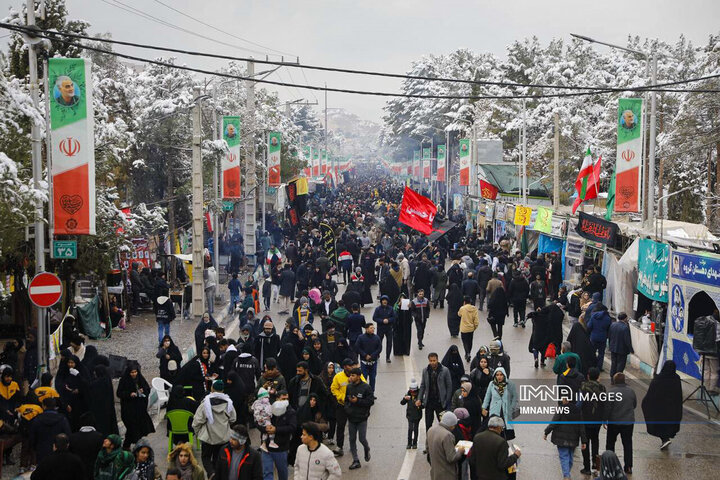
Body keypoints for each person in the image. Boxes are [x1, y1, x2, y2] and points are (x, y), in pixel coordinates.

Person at [192, 379, 237, 477]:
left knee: (206, 458)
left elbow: (196, 422)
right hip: (223, 438)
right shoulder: (229, 403)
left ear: (212, 388)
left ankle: (211, 473)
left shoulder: (205, 404)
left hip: (208, 438)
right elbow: (233, 419)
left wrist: (199, 433)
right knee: (218, 459)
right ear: (223, 390)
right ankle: (216, 475)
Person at [544, 396, 587, 480]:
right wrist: (584, 441)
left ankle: (566, 476)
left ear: (567, 400)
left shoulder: (561, 409)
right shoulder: (578, 410)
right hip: (573, 439)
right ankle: (567, 473)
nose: (562, 400)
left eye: (563, 398)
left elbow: (554, 422)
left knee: (564, 456)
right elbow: (582, 426)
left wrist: (546, 432)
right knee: (570, 457)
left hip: (561, 438)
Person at [642, 360, 682, 450]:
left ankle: (664, 439)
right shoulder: (676, 378)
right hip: (672, 408)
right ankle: (665, 439)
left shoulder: (658, 379)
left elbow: (650, 395)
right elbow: (678, 394)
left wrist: (645, 404)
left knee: (660, 425)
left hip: (659, 409)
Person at [117, 361, 155, 450]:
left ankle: (130, 447)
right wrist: (129, 394)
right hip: (128, 410)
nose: (134, 374)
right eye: (132, 372)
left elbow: (147, 389)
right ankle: (136, 448)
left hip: (139, 410)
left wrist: (143, 391)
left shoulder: (140, 379)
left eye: (135, 372)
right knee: (132, 429)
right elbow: (119, 393)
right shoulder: (124, 380)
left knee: (136, 430)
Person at [605, 373, 636, 475]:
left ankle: (610, 466)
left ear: (614, 381)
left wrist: (604, 420)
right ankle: (628, 466)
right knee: (627, 444)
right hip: (628, 422)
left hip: (614, 422)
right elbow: (634, 405)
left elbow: (607, 408)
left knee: (610, 444)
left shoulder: (611, 392)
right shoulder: (631, 391)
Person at [261, 393, 296, 480]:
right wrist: (265, 428)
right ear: (277, 399)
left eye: (287, 399)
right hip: (266, 447)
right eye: (283, 399)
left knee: (282, 472)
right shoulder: (268, 409)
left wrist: (276, 429)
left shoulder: (290, 412)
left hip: (281, 448)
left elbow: (292, 427)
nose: (285, 401)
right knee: (267, 472)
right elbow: (258, 421)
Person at [345, 367, 374, 470]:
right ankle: (356, 460)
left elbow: (370, 402)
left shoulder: (366, 388)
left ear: (358, 376)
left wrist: (357, 401)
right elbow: (346, 401)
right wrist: (347, 409)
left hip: (362, 418)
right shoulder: (349, 387)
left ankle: (367, 448)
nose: (351, 377)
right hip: (351, 418)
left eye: (353, 375)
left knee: (362, 439)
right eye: (350, 375)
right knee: (352, 439)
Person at [29, 397, 71, 464]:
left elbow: (32, 436)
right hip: (59, 450)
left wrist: (34, 448)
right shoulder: (62, 419)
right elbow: (68, 434)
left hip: (41, 450)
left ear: (44, 406)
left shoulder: (37, 419)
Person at [580, 367, 606, 475]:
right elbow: (604, 404)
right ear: (598, 377)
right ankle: (595, 466)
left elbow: (580, 403)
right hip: (597, 419)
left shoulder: (583, 386)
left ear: (588, 376)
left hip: (585, 419)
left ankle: (586, 468)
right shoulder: (603, 388)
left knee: (585, 442)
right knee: (595, 441)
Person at [418, 352, 453, 432]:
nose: (432, 362)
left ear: (437, 360)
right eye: (431, 361)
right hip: (429, 402)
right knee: (428, 424)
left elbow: (449, 386)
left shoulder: (444, 370)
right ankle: (429, 442)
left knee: (443, 424)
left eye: (434, 360)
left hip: (440, 402)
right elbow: (423, 385)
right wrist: (419, 398)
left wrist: (447, 400)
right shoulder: (425, 371)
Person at [426, 411, 465, 480]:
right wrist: (460, 451)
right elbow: (451, 458)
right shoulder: (447, 435)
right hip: (447, 474)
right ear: (451, 425)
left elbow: (427, 449)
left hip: (435, 473)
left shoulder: (430, 430)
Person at [482, 367, 517, 441]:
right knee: (494, 430)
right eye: (497, 375)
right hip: (495, 410)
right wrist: (483, 408)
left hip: (505, 411)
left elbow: (515, 398)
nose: (499, 377)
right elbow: (487, 397)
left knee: (505, 432)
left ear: (504, 375)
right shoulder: (491, 384)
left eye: (501, 375)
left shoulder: (510, 384)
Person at [355, 323, 382, 393]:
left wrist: (373, 355)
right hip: (364, 363)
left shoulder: (376, 338)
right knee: (364, 379)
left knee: (373, 378)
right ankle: (363, 393)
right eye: (371, 328)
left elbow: (379, 348)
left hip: (373, 363)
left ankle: (371, 393)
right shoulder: (361, 337)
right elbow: (357, 348)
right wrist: (365, 355)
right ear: (366, 329)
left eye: (373, 328)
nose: (373, 329)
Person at [587, 301, 612, 370]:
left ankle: (592, 366)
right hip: (603, 338)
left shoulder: (593, 316)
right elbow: (609, 329)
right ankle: (599, 367)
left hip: (593, 337)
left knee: (592, 352)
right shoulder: (608, 318)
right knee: (601, 354)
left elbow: (589, 326)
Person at [608, 313, 633, 379]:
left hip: (613, 348)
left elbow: (609, 336)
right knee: (620, 364)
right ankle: (618, 378)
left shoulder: (613, 325)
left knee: (613, 363)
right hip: (622, 349)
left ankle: (612, 376)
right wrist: (631, 349)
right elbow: (627, 340)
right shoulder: (625, 327)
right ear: (625, 319)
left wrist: (610, 345)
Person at [372, 295, 396, 362]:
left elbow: (394, 317)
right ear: (381, 301)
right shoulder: (378, 309)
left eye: (386, 300)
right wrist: (382, 321)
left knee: (389, 343)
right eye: (383, 300)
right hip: (380, 328)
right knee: (378, 342)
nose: (384, 301)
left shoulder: (391, 309)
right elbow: (374, 318)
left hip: (389, 328)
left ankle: (388, 356)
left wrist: (388, 320)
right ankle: (377, 354)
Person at [400, 378, 422, 449]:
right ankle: (409, 443)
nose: (413, 393)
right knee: (410, 429)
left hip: (417, 416)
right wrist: (404, 399)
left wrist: (419, 404)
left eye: (414, 392)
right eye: (411, 391)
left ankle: (415, 443)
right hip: (409, 415)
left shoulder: (420, 396)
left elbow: (424, 405)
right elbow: (402, 403)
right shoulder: (408, 395)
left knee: (415, 429)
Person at [458, 296, 480, 362]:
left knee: (465, 342)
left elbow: (459, 314)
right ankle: (469, 352)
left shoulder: (462, 308)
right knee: (470, 341)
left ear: (464, 302)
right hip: (471, 328)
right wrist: (474, 327)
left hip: (464, 328)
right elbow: (476, 320)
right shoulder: (474, 309)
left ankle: (467, 353)